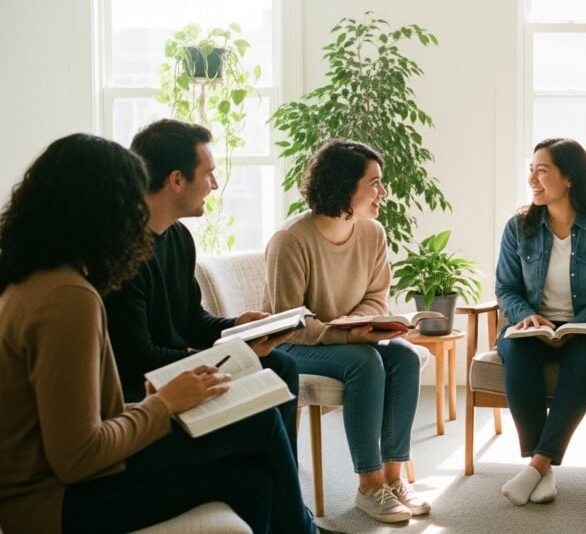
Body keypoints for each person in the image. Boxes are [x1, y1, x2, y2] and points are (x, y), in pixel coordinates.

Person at [0, 134, 319, 534]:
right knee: (260, 425)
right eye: (131, 204)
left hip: (54, 488)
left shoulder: (34, 280)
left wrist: (156, 403)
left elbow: (77, 424)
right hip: (55, 502)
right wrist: (162, 405)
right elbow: (78, 457)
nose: (138, 217)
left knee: (253, 479)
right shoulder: (68, 298)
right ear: (101, 211)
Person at [103, 118, 302, 456]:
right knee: (264, 400)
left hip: (181, 365)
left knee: (282, 365)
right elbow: (137, 357)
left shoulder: (179, 237)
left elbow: (192, 320)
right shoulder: (122, 252)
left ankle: (280, 474)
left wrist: (237, 328)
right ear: (176, 180)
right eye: (208, 173)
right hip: (146, 387)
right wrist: (226, 355)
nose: (215, 184)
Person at [264, 139, 428, 524]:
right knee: (365, 361)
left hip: (348, 338)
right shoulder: (291, 240)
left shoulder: (373, 233)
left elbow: (376, 296)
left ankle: (393, 478)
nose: (383, 191)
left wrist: (360, 326)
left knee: (404, 357)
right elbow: (288, 321)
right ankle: (369, 486)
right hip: (294, 344)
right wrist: (346, 335)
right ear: (343, 186)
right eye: (374, 183)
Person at [494, 138, 586, 506]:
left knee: (584, 353)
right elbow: (505, 288)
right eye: (531, 170)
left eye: (542, 171)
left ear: (569, 178)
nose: (532, 179)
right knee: (518, 350)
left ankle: (537, 465)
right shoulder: (517, 227)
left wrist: (576, 325)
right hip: (532, 326)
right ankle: (543, 468)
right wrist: (526, 317)